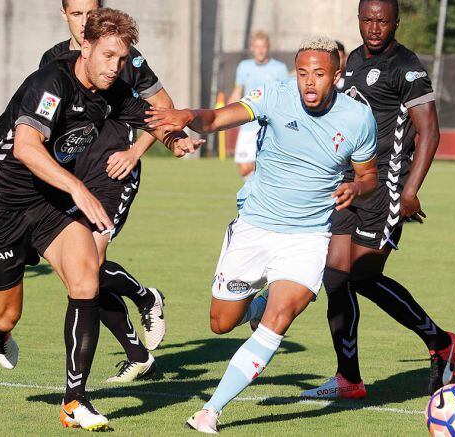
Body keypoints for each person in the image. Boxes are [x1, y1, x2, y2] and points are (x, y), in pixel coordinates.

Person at [0, 8, 200, 430]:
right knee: (6, 315)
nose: (116, 67)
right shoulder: (51, 82)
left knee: (86, 278)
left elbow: (151, 117)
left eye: (122, 59)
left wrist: (176, 138)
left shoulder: (110, 91)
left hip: (48, 203)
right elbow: (26, 147)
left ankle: (74, 402)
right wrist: (77, 188)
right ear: (86, 46)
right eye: (108, 56)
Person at [147, 35, 378, 434]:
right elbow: (218, 118)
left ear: (337, 75)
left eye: (319, 74)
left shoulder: (359, 118)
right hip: (255, 226)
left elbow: (369, 174)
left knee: (280, 318)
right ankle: (255, 305)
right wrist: (188, 115)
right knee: (221, 322)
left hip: (307, 238)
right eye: (303, 73)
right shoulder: (275, 94)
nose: (309, 82)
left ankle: (211, 411)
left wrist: (356, 188)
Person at [301, 0, 455, 400]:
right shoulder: (352, 60)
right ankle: (348, 379)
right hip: (351, 183)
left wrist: (409, 191)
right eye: (368, 19)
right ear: (359, 20)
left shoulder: (406, 67)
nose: (375, 27)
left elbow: (431, 132)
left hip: (387, 186)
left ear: (395, 23)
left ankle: (441, 342)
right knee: (335, 277)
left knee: (363, 276)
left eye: (383, 20)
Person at [40, 0, 176, 382]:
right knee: (78, 279)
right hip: (73, 179)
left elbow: (164, 108)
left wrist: (134, 152)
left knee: (89, 269)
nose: (85, 22)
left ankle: (147, 300)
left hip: (113, 174)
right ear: (63, 15)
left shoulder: (125, 56)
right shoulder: (52, 61)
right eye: (77, 14)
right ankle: (137, 350)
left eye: (90, 12)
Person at [227, 31, 288, 179]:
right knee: (243, 169)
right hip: (248, 123)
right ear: (252, 48)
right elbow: (237, 91)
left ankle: (264, 166)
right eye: (257, 47)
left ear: (268, 47)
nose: (260, 50)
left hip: (269, 125)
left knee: (259, 170)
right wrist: (226, 112)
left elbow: (286, 96)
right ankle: (262, 162)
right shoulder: (244, 66)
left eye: (263, 47)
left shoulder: (279, 68)